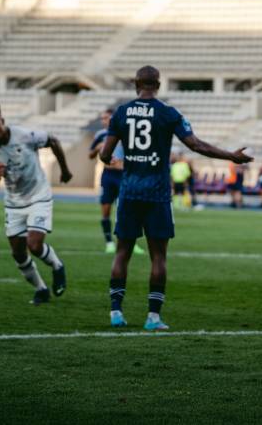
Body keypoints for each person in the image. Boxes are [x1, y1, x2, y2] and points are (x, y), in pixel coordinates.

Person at [100, 65, 252, 331]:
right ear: (158, 85)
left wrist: (110, 160)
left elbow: (105, 153)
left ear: (136, 84)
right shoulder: (169, 113)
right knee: (158, 256)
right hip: (157, 194)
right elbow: (196, 145)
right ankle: (153, 318)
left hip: (130, 192)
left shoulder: (121, 113)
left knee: (122, 252)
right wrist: (231, 156)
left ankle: (116, 313)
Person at [0, 103, 71, 305]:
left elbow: (53, 140)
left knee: (34, 245)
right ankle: (41, 289)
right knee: (18, 253)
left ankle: (57, 266)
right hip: (13, 203)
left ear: (2, 121)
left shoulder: (25, 135)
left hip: (38, 196)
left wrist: (64, 170)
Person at [89, 109, 142, 255]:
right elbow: (90, 154)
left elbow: (135, 155)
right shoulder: (100, 135)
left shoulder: (126, 133)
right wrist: (97, 150)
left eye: (106, 118)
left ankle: (131, 243)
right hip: (108, 175)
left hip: (124, 176)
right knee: (106, 210)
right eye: (102, 118)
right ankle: (109, 243)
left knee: (127, 211)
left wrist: (125, 165)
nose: (103, 121)